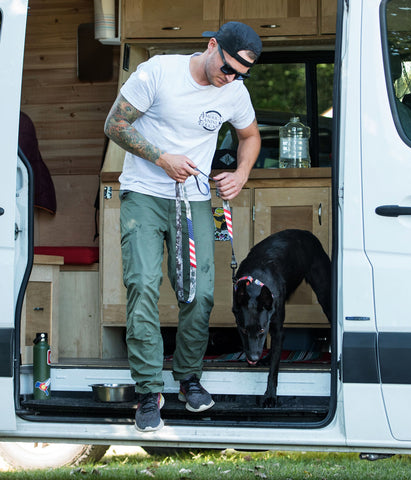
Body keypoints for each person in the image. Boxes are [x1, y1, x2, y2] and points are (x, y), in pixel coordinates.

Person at [104, 21, 262, 432]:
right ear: (212, 45)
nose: (231, 79)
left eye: (240, 75)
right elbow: (115, 125)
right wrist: (162, 158)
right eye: (228, 68)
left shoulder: (234, 93)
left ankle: (188, 378)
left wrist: (241, 174)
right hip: (143, 193)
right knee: (142, 285)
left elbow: (250, 136)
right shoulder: (158, 72)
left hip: (194, 201)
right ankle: (147, 390)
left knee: (201, 291)